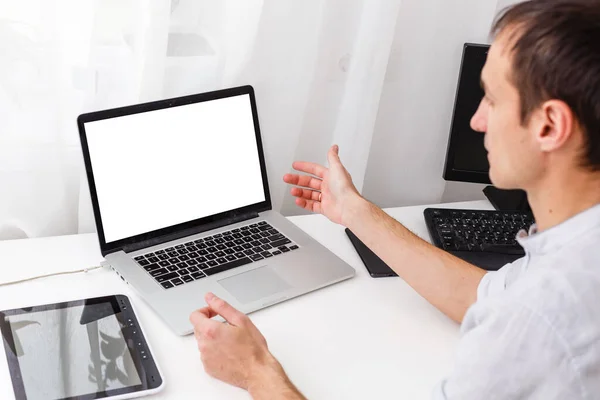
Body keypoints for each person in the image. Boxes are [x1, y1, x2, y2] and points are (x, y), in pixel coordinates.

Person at [189, 0, 600, 398]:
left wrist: (256, 372)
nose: (477, 121)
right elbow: (490, 297)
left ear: (549, 126)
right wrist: (354, 210)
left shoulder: (540, 318)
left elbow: (523, 313)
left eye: (492, 99)